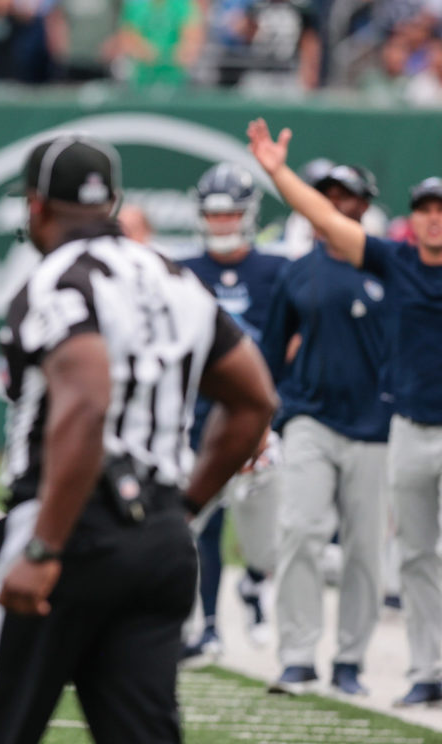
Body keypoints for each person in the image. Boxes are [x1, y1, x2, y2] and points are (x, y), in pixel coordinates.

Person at [0, 134, 276, 744]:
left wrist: (45, 543)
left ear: (36, 207)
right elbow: (254, 398)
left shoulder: (58, 277)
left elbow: (85, 403)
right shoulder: (175, 278)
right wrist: (184, 508)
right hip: (159, 544)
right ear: (112, 201)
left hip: (67, 530)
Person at [248, 117, 442, 707]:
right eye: (427, 208)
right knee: (404, 553)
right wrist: (279, 173)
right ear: (414, 216)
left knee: (381, 552)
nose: (436, 217)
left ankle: (377, 661)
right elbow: (326, 221)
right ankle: (415, 670)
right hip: (401, 424)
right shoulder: (396, 261)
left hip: (384, 425)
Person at [257, 162, 390, 697]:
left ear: (365, 205)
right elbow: (269, 354)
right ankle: (296, 655)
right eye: (326, 195)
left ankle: (351, 660)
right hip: (308, 415)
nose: (335, 204)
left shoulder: (390, 266)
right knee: (300, 531)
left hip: (376, 426)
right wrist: (263, 423)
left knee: (364, 549)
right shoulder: (297, 272)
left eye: (347, 195)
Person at [179, 162, 287, 660]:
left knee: (265, 529)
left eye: (230, 215)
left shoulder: (275, 271)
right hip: (200, 414)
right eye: (214, 215)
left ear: (247, 215)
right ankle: (208, 625)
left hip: (260, 418)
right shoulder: (183, 272)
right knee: (204, 521)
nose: (221, 224)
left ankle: (256, 583)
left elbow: (291, 342)